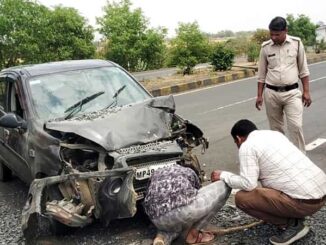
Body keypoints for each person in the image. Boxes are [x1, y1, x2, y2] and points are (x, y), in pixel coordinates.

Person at [211, 119, 326, 245]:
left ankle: (293, 225)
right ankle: (292, 214)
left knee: (241, 198)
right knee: (266, 187)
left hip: (305, 203)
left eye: (236, 143)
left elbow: (248, 184)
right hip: (321, 195)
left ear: (238, 139)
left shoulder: (247, 145)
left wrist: (223, 175)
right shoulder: (275, 135)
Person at [256, 16, 312, 153]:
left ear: (285, 30)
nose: (273, 37)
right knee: (276, 130)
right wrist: (259, 96)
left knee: (296, 126)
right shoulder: (265, 47)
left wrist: (306, 91)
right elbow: (261, 75)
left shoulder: (296, 44)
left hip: (292, 93)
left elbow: (303, 70)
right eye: (271, 34)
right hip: (271, 94)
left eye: (277, 34)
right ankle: (281, 159)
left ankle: (300, 159)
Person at [143, 164, 231, 245]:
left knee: (172, 226)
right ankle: (194, 234)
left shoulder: (158, 172)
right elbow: (198, 194)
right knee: (226, 185)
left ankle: (161, 238)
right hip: (180, 211)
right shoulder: (189, 171)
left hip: (157, 218)